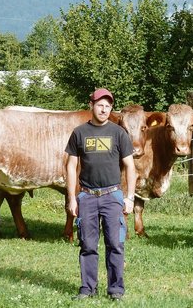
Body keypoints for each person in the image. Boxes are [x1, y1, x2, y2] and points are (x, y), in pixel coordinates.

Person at [65, 88, 137, 301]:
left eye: (108, 106)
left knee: (115, 244)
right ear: (92, 105)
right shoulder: (79, 133)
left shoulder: (118, 133)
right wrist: (72, 197)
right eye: (100, 105)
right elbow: (71, 166)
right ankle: (88, 288)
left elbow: (130, 166)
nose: (104, 109)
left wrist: (130, 197)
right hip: (86, 196)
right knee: (87, 245)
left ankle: (115, 289)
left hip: (112, 196)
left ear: (111, 108)